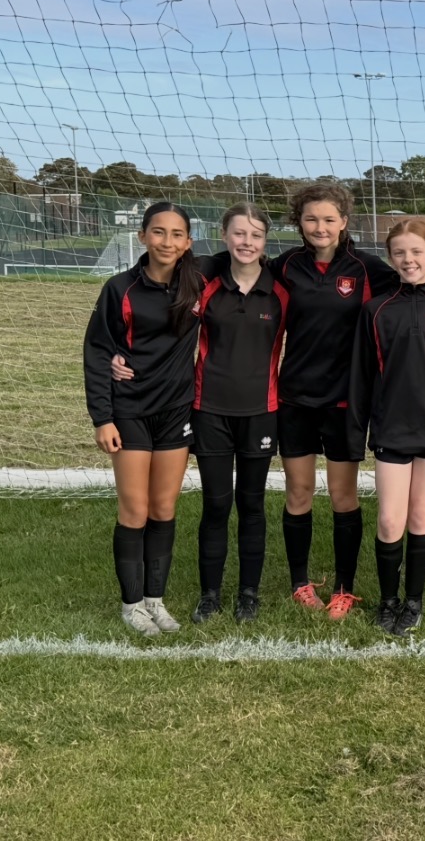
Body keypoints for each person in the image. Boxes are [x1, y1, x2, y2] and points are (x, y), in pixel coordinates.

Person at [269, 183, 400, 620]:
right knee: (299, 491)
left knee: (343, 495)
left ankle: (344, 588)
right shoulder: (285, 266)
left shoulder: (368, 269)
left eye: (329, 219)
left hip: (345, 400)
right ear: (299, 223)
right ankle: (300, 583)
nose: (320, 227)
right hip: (295, 397)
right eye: (311, 219)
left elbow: (417, 285)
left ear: (344, 221)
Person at [84, 202, 202, 635]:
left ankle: (156, 599)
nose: (166, 242)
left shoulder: (199, 283)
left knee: (164, 508)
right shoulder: (120, 288)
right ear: (142, 236)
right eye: (158, 232)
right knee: (134, 510)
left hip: (176, 412)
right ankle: (131, 604)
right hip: (129, 410)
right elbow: (97, 350)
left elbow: (242, 257)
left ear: (189, 242)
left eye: (176, 234)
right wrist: (103, 417)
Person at [347, 220, 425, 636]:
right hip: (391, 427)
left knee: (421, 514)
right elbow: (362, 376)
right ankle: (388, 600)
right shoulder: (375, 309)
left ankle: (413, 601)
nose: (408, 259)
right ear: (391, 259)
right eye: (399, 252)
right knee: (389, 520)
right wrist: (358, 429)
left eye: (417, 251)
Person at [186, 203, 286, 624]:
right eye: (239, 233)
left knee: (252, 504)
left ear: (266, 241)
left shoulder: (281, 292)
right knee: (215, 505)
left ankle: (249, 593)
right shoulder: (202, 284)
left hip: (261, 412)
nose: (247, 242)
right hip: (208, 410)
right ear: (224, 235)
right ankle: (209, 594)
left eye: (256, 235)